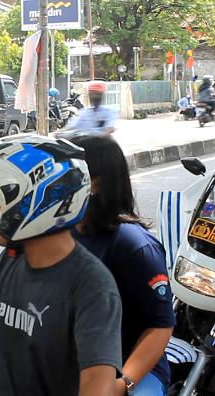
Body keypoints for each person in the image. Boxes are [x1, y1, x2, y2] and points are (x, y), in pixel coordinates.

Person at [0, 135, 123, 396]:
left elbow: (96, 384)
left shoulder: (93, 286)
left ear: (38, 202)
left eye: (1, 201)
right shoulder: (10, 259)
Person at [69, 135, 176, 396]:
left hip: (130, 371)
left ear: (94, 184)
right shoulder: (61, 235)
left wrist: (122, 384)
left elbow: (160, 325)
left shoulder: (134, 246)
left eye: (66, 175)